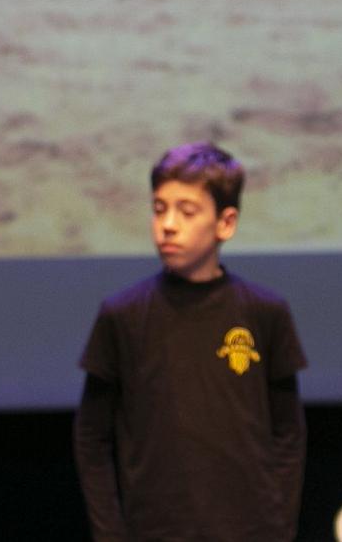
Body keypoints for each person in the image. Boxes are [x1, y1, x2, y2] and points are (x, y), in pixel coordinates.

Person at [73, 142, 308, 542]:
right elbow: (91, 437)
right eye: (159, 208)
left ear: (225, 224)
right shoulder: (124, 315)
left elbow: (288, 431)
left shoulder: (264, 311)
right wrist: (111, 533)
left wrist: (277, 526)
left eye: (187, 211)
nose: (168, 224)